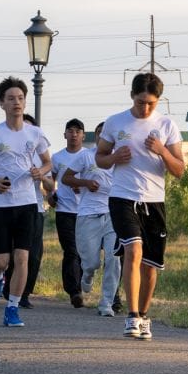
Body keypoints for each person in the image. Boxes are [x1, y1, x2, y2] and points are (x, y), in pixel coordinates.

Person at [95, 73, 185, 339]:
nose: (145, 108)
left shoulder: (167, 125)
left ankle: (144, 315)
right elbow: (99, 157)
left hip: (154, 201)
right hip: (123, 197)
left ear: (158, 100)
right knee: (132, 251)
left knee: (151, 266)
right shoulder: (115, 122)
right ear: (132, 96)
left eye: (151, 103)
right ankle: (132, 316)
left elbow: (179, 169)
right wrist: (113, 157)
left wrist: (162, 151)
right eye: (140, 102)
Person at [0, 76, 51, 327]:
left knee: (22, 258)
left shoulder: (35, 133)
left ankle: (13, 307)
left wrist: (41, 171)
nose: (16, 102)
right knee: (2, 261)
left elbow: (48, 162)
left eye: (20, 98)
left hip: (27, 203)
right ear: (2, 104)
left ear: (25, 102)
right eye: (11, 98)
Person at [63, 122, 122, 317]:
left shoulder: (120, 158)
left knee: (114, 259)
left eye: (107, 134)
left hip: (113, 214)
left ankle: (106, 303)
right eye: (100, 134)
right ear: (96, 137)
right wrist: (86, 182)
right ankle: (87, 274)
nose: (103, 137)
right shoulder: (86, 156)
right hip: (88, 214)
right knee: (91, 262)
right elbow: (66, 178)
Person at [2, 113, 53, 309]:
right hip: (10, 206)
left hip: (36, 209)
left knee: (33, 253)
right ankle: (8, 286)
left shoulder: (41, 158)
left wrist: (41, 175)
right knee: (13, 251)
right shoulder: (7, 154)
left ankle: (24, 293)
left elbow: (50, 187)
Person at [48, 118, 87, 308]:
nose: (74, 134)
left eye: (77, 131)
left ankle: (83, 282)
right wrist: (50, 195)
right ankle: (74, 291)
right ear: (64, 135)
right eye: (70, 131)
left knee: (85, 253)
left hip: (87, 210)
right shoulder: (57, 157)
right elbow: (50, 181)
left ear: (83, 135)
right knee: (71, 250)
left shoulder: (89, 156)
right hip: (64, 209)